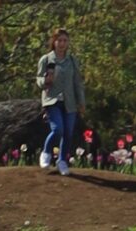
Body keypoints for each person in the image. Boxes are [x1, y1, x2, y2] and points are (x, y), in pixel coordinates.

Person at [37, 29, 85, 177]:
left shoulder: (72, 61)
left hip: (69, 101)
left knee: (68, 132)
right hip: (52, 100)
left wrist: (81, 102)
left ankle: (62, 160)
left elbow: (77, 82)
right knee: (58, 129)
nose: (62, 44)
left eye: (65, 40)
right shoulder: (46, 59)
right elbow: (38, 79)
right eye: (60, 40)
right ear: (54, 42)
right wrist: (45, 81)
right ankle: (46, 152)